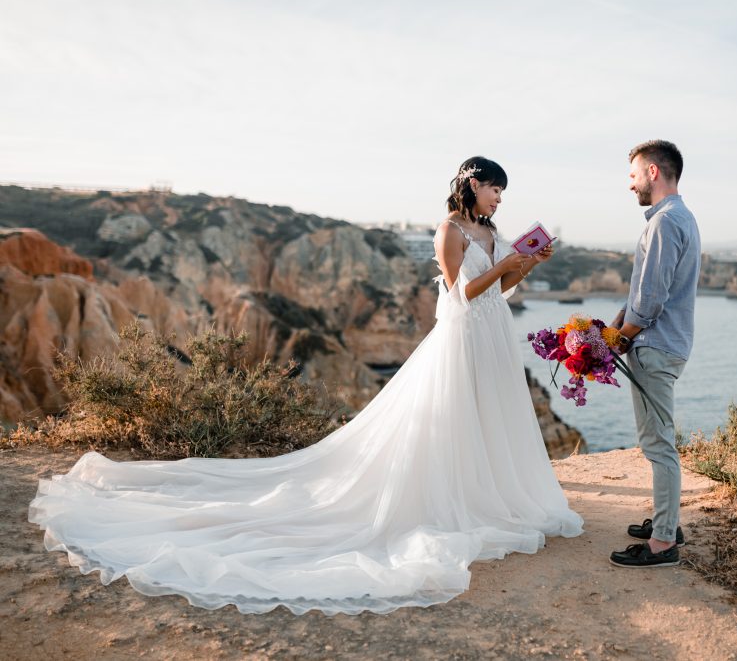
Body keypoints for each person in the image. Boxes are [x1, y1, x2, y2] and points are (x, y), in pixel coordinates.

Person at [28, 156, 583, 615]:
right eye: (493, 189)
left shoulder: (488, 232)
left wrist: (526, 262)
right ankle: (450, 499)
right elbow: (461, 295)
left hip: (491, 333)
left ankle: (487, 494)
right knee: (453, 417)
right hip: (461, 335)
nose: (499, 200)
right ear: (471, 184)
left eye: (503, 193)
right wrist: (507, 259)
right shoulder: (451, 230)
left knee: (487, 418)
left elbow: (501, 289)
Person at [608, 140, 701, 568]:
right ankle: (667, 523)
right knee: (658, 441)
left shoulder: (665, 222)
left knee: (658, 445)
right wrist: (616, 327)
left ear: (652, 173)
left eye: (632, 175)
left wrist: (619, 339)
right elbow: (644, 293)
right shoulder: (682, 217)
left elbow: (651, 299)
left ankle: (664, 544)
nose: (629, 185)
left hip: (655, 346)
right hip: (666, 344)